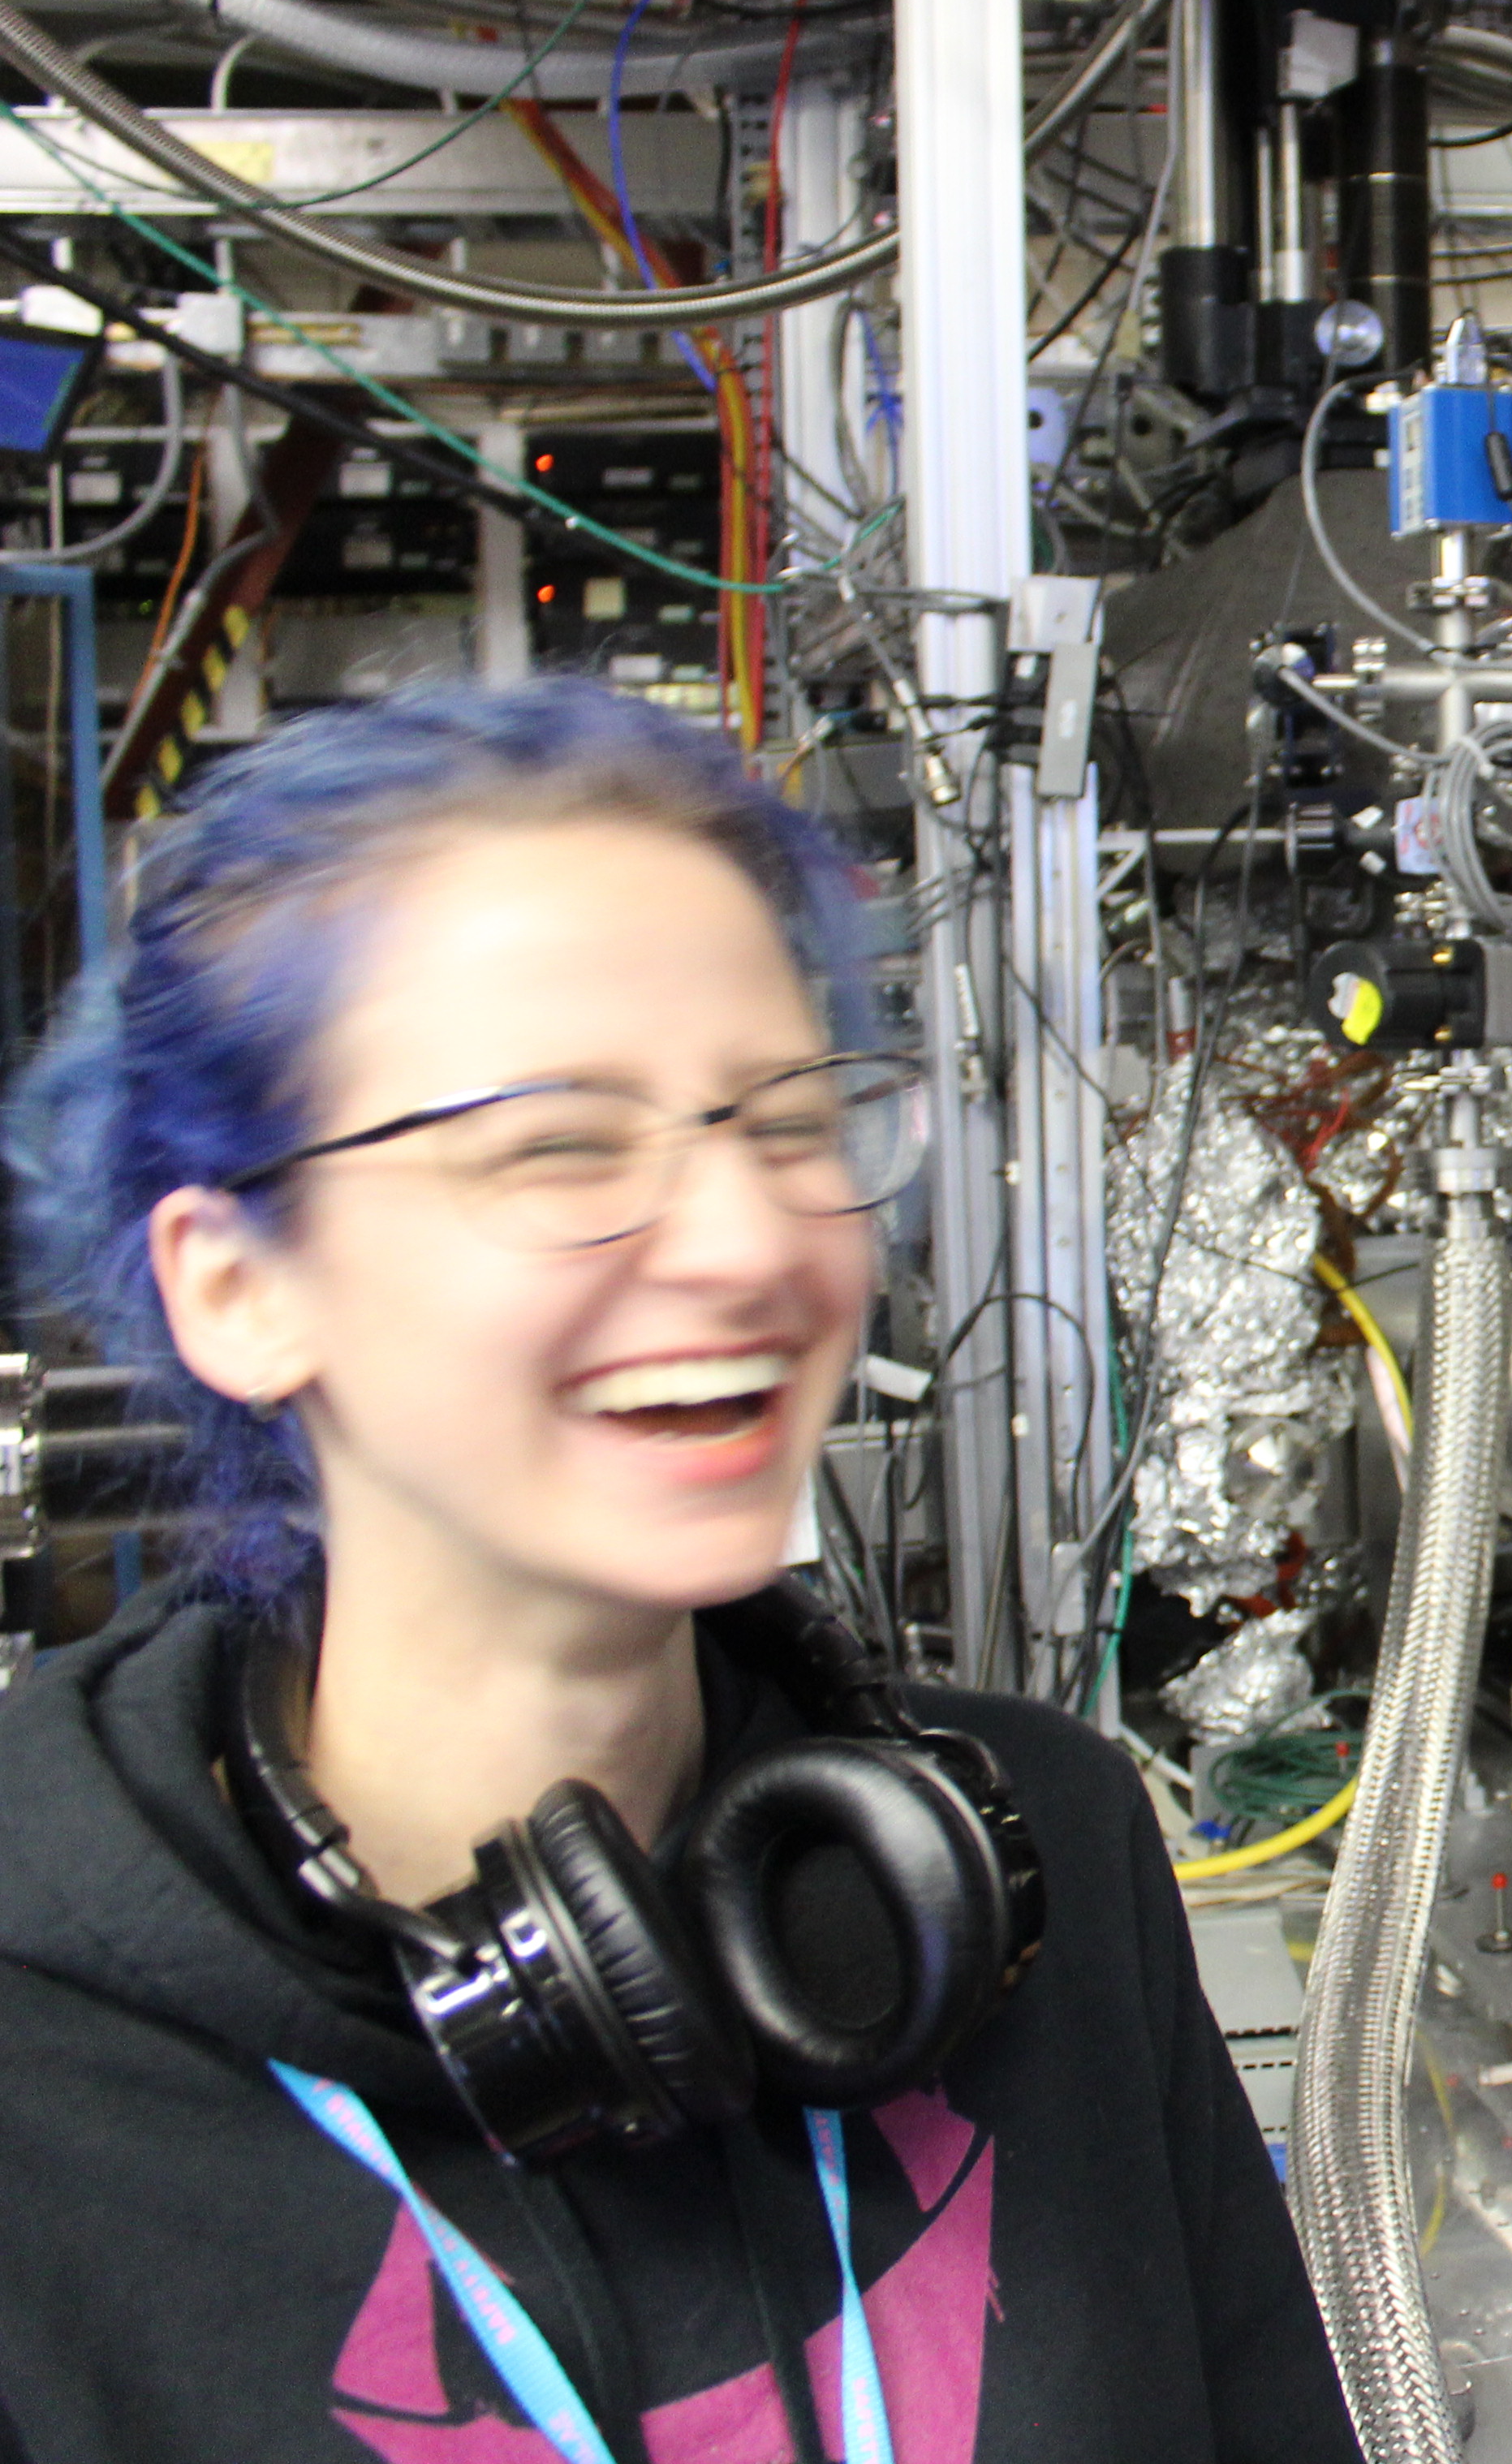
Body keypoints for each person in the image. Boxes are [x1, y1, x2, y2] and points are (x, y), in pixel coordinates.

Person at [0, 680, 1355, 2463]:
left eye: (788, 1121)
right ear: (238, 1286)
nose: (741, 1245)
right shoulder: (47, 2094)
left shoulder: (1043, 1873)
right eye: (557, 1146)